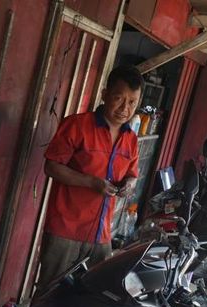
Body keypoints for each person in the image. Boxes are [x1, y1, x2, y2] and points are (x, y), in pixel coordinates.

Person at [37, 65, 143, 289]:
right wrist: (91, 182)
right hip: (66, 230)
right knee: (49, 295)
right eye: (119, 98)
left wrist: (129, 185)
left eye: (132, 102)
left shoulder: (131, 139)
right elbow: (52, 167)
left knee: (94, 298)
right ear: (105, 95)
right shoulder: (76, 125)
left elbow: (133, 175)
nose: (125, 108)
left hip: (101, 233)